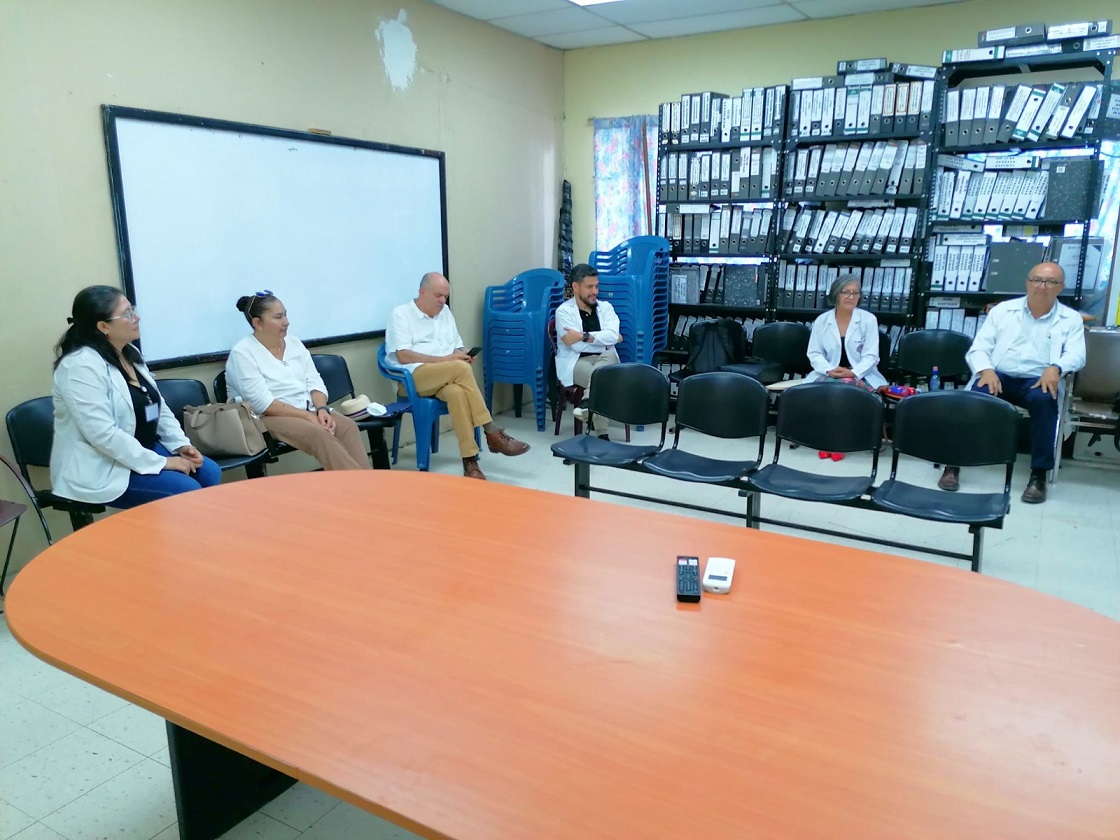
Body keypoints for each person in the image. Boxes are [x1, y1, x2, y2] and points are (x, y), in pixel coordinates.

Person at [51, 285, 221, 508]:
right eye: (127, 314)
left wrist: (180, 445)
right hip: (102, 465)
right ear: (103, 326)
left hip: (142, 448)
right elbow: (102, 434)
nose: (137, 318)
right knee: (185, 489)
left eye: (133, 310)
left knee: (209, 472)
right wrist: (163, 462)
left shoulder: (129, 353)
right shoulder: (79, 366)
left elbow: (158, 406)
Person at [938, 261, 1085, 504]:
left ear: (1061, 287)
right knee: (971, 402)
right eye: (1037, 280)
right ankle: (952, 464)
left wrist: (1056, 367)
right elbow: (979, 348)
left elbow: (1077, 355)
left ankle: (1038, 475)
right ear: (1027, 283)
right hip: (999, 376)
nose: (1042, 286)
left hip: (1038, 380)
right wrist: (986, 370)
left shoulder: (1070, 319)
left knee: (1045, 402)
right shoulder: (1003, 311)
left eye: (1051, 282)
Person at [385, 272, 529, 480]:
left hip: (445, 376)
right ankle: (492, 430)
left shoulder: (445, 313)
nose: (442, 301)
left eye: (445, 296)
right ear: (421, 292)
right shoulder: (401, 314)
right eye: (438, 296)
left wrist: (463, 354)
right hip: (413, 377)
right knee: (460, 369)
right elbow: (403, 355)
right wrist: (446, 360)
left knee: (456, 393)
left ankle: (470, 462)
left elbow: (456, 346)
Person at [225, 291, 371, 471]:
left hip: (308, 409)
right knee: (319, 434)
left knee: (347, 427)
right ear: (257, 323)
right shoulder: (243, 353)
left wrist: (322, 409)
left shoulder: (294, 343)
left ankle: (365, 482)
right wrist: (308, 417)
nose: (286, 322)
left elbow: (315, 382)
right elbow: (263, 404)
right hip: (267, 418)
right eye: (278, 317)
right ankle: (358, 486)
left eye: (285, 315)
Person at [555, 263, 621, 437]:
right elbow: (576, 346)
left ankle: (587, 403)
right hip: (577, 361)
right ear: (575, 287)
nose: (595, 291)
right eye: (589, 287)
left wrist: (583, 336)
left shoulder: (605, 307)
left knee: (607, 358)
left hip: (606, 358)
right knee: (602, 377)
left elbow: (612, 336)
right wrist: (604, 338)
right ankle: (602, 433)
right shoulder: (563, 312)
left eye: (596, 286)